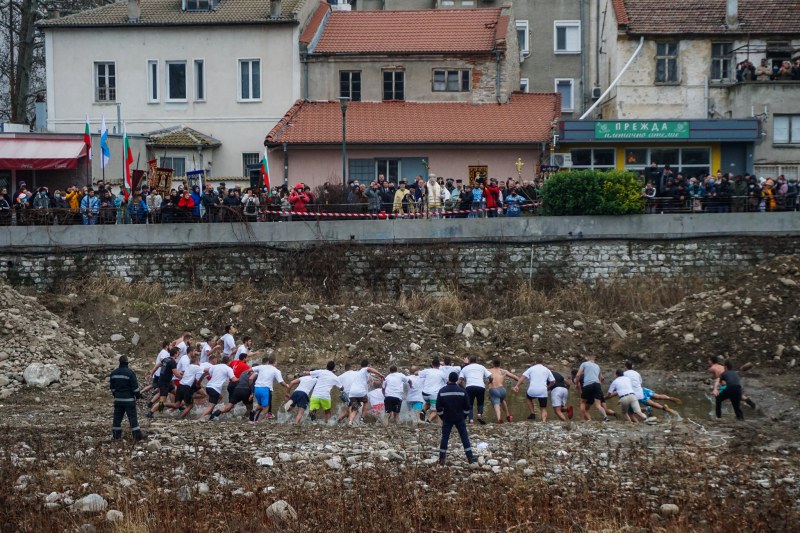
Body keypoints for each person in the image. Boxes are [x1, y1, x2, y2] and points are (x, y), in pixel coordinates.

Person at [436, 372, 477, 466]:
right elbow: (467, 407)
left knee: (445, 437)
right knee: (464, 437)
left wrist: (443, 417)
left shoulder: (442, 391)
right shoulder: (462, 391)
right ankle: (470, 458)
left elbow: (438, 407)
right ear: (457, 379)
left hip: (447, 417)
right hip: (459, 418)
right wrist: (464, 416)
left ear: (448, 379)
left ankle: (442, 458)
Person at [109, 355, 144, 440]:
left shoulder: (113, 373)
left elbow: (112, 388)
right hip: (129, 400)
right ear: (127, 363)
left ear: (119, 362)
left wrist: (116, 395)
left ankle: (116, 435)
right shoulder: (130, 373)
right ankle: (137, 436)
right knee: (133, 419)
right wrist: (138, 396)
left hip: (118, 400)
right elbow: (135, 388)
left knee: (117, 419)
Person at [248, 356, 290, 423]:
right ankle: (258, 422)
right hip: (264, 389)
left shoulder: (261, 366)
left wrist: (248, 373)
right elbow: (281, 382)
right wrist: (286, 385)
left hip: (256, 388)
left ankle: (253, 411)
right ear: (275, 362)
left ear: (268, 361)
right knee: (266, 408)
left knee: (260, 405)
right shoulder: (276, 370)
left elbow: (250, 370)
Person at [198, 354, 238, 420]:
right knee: (210, 406)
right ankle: (200, 418)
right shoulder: (228, 369)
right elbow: (234, 380)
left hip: (208, 387)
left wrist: (199, 382)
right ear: (229, 362)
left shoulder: (214, 366)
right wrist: (242, 377)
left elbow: (205, 372)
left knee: (220, 397)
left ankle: (210, 414)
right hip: (215, 389)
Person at [346, 359, 385, 425]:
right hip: (360, 392)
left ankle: (350, 422)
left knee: (355, 409)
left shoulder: (358, 373)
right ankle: (362, 419)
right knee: (366, 402)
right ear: (367, 365)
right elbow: (370, 369)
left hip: (352, 393)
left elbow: (372, 379)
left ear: (360, 365)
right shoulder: (365, 369)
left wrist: (375, 380)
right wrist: (380, 374)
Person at [146, 347, 181, 418]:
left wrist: (151, 374)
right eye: (178, 353)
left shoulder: (166, 359)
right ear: (175, 354)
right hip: (164, 384)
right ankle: (152, 413)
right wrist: (185, 377)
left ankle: (179, 406)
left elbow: (156, 366)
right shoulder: (172, 362)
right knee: (162, 401)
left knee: (177, 394)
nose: (179, 354)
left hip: (168, 383)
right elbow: (176, 374)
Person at [574, 354, 609, 422]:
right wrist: (598, 384)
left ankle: (582, 419)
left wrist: (576, 383)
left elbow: (578, 375)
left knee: (583, 402)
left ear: (588, 358)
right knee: (598, 404)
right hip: (597, 384)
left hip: (588, 384)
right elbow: (602, 378)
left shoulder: (584, 364)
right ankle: (605, 416)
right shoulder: (597, 366)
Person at [458, 356, 491, 424]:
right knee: (480, 402)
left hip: (469, 387)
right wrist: (489, 382)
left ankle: (471, 420)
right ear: (476, 361)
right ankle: (479, 414)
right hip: (480, 386)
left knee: (470, 404)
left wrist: (463, 388)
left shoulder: (465, 368)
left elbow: (460, 381)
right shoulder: (481, 367)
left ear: (469, 361)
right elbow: (490, 376)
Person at [487, 359, 520, 423]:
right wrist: (520, 382)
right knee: (502, 400)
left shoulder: (488, 371)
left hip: (494, 389)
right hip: (502, 390)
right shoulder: (503, 371)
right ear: (500, 364)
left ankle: (499, 419)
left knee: (496, 403)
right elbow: (514, 377)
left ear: (492, 364)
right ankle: (508, 416)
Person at [419, 358, 446, 423]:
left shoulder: (427, 371)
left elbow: (418, 373)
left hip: (424, 394)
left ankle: (423, 411)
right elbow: (447, 381)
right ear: (439, 365)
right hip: (434, 394)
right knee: (436, 410)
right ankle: (428, 421)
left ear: (432, 364)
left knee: (428, 403)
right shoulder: (441, 373)